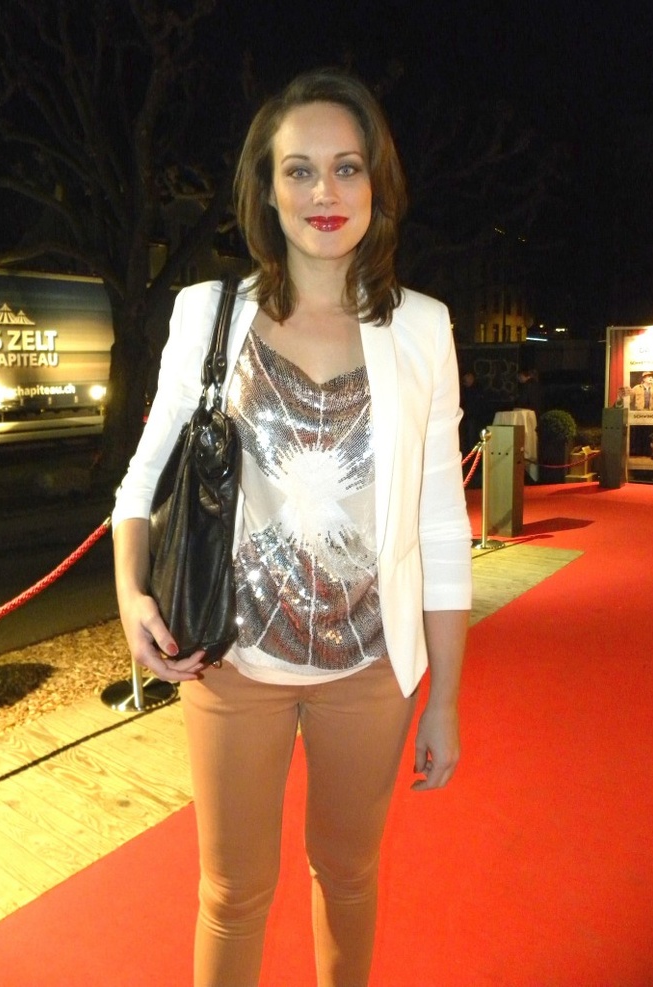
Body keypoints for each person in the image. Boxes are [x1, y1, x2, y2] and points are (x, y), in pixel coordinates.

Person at [112, 68, 472, 987]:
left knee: (348, 875)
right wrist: (130, 594)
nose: (325, 192)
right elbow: (143, 476)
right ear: (267, 189)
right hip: (231, 660)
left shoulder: (423, 329)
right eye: (299, 170)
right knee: (232, 893)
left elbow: (439, 523)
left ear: (376, 184)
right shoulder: (208, 315)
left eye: (347, 168)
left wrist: (443, 696)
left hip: (370, 666)